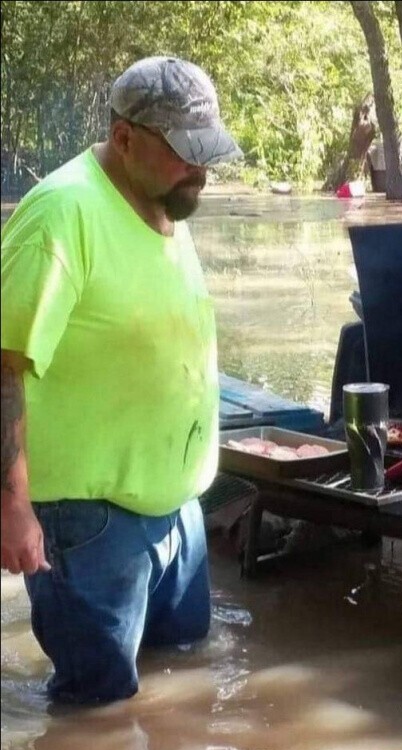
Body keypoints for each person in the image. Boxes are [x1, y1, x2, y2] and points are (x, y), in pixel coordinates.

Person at [0, 56, 243, 705]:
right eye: (185, 153)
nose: (202, 170)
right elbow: (4, 365)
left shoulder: (164, 198)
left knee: (183, 683)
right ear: (125, 136)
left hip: (176, 512)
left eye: (207, 152)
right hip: (89, 526)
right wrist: (11, 504)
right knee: (95, 717)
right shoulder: (62, 214)